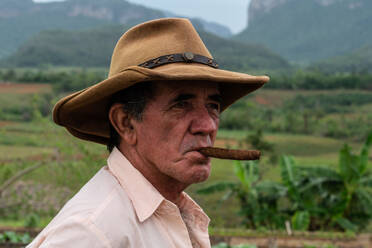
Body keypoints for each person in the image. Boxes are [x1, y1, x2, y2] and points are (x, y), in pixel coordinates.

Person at [27, 18, 269, 248]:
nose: (207, 126)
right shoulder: (93, 233)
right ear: (126, 123)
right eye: (181, 105)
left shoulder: (169, 212)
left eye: (213, 106)